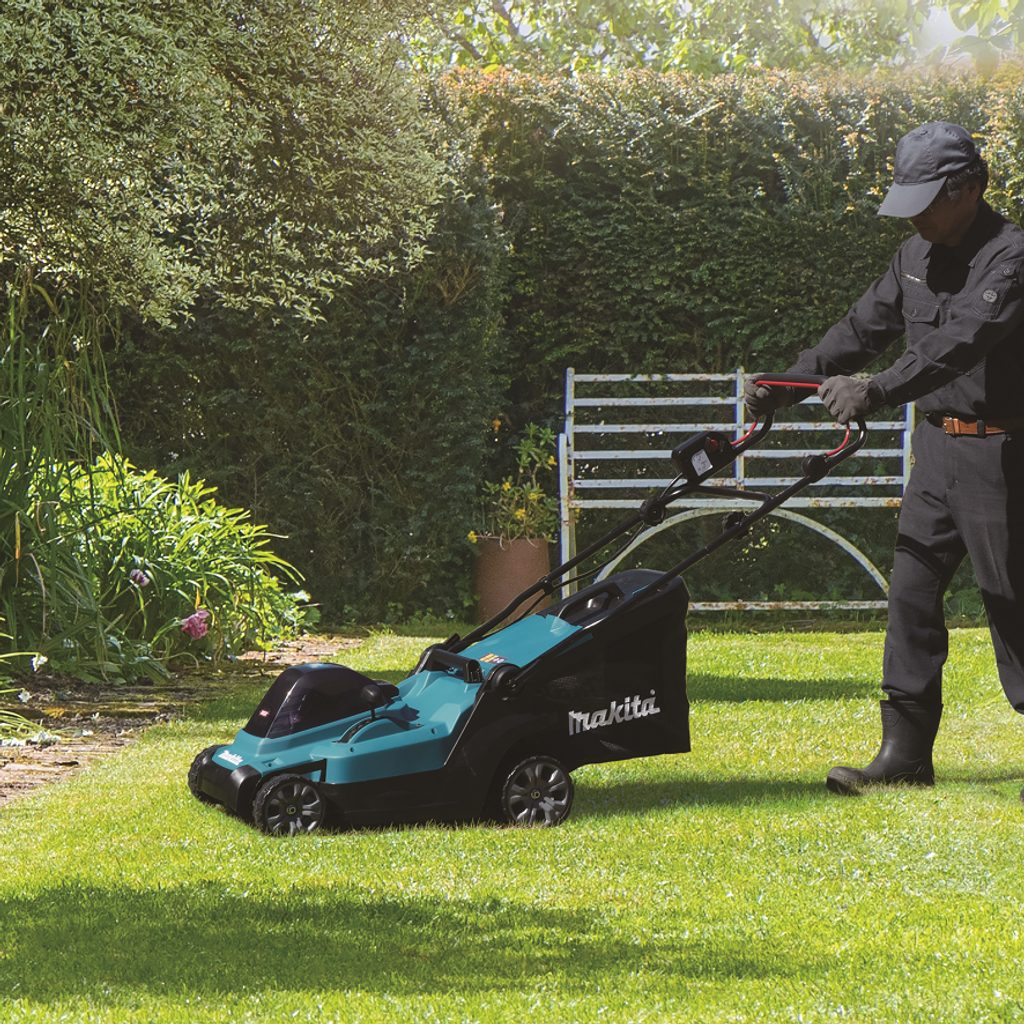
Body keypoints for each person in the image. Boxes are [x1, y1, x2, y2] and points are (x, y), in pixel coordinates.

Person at [745, 121, 1024, 799]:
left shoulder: (1012, 257)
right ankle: (904, 756)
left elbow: (962, 342)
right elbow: (861, 328)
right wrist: (788, 385)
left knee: (1012, 601)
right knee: (911, 596)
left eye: (926, 202)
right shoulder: (913, 256)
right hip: (937, 452)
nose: (915, 217)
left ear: (969, 188)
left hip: (1005, 456)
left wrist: (876, 390)